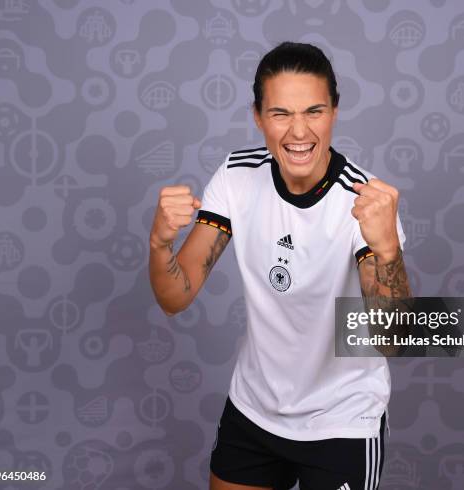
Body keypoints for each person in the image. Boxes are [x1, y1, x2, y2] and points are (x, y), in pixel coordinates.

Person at [149, 42, 411, 490]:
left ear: (334, 112)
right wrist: (159, 241)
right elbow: (175, 297)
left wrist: (387, 249)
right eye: (280, 113)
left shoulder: (363, 199)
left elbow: (394, 341)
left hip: (341, 422)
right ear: (257, 116)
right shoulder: (236, 177)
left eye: (314, 111)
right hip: (254, 411)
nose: (298, 132)